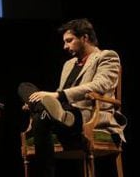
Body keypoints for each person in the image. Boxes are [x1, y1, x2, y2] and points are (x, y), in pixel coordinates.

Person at [17, 18, 127, 177]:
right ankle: (44, 108)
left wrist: (57, 95)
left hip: (84, 114)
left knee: (41, 118)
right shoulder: (69, 64)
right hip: (61, 113)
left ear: (85, 37)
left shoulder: (107, 56)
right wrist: (39, 101)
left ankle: (47, 112)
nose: (65, 46)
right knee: (24, 87)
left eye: (69, 41)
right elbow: (59, 93)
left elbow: (99, 85)